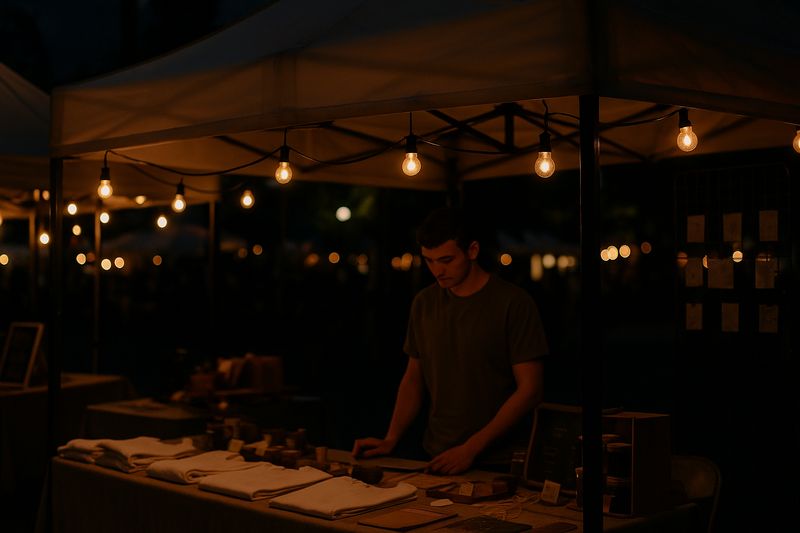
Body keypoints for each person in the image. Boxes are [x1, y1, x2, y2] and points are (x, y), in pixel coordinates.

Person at [352, 206, 548, 474]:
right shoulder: (424, 303)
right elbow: (413, 378)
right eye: (429, 261)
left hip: (501, 461)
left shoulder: (513, 304)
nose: (437, 270)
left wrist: (471, 448)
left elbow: (530, 390)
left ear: (473, 251)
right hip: (439, 455)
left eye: (446, 260)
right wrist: (391, 438)